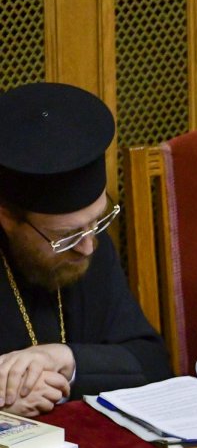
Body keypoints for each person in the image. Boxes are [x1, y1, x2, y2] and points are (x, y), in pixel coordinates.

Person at [0, 82, 171, 417]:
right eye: (65, 236)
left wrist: (66, 358)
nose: (87, 247)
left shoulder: (87, 240)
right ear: (6, 217)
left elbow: (151, 363)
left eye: (98, 222)